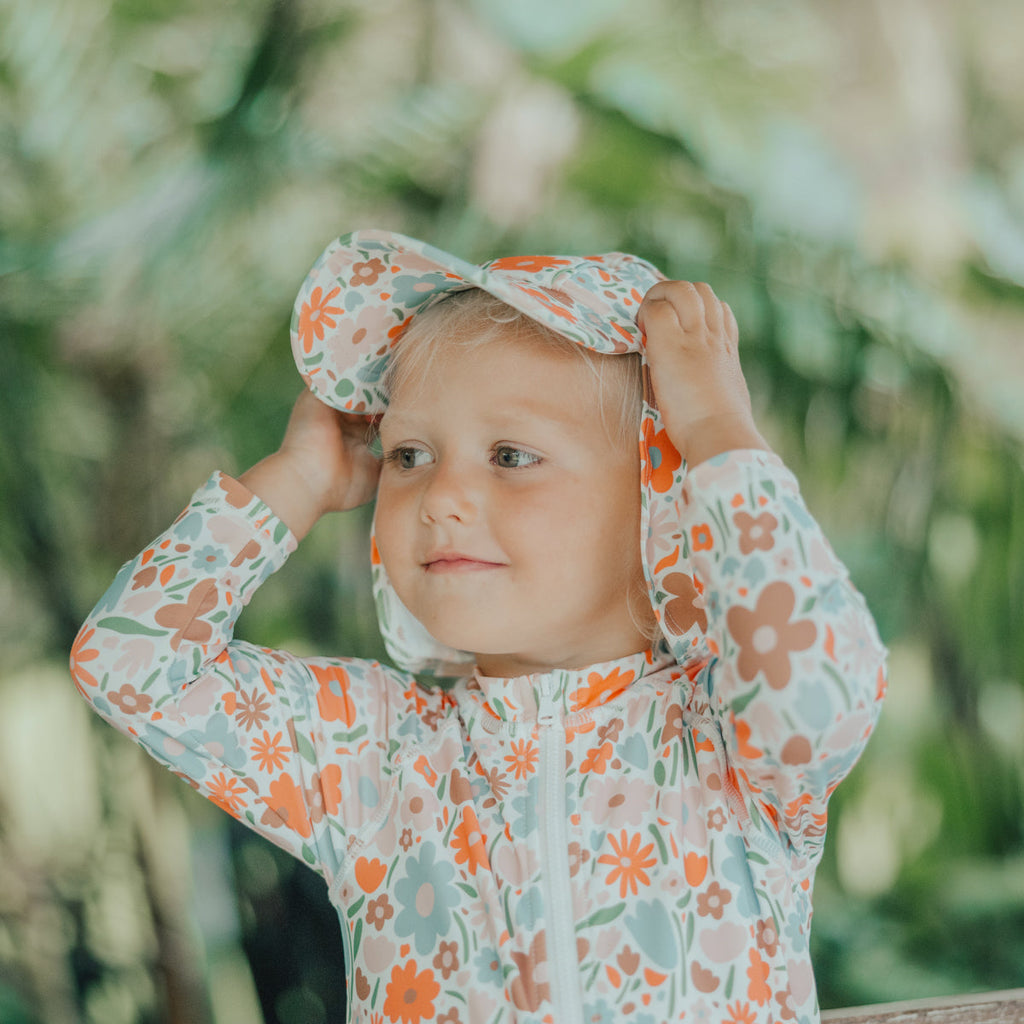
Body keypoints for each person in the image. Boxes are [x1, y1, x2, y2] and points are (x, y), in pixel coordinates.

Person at [70, 230, 887, 1024]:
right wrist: (298, 480)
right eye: (410, 455)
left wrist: (715, 427)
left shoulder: (731, 741)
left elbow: (823, 677)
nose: (442, 496)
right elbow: (130, 665)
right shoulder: (374, 758)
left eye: (509, 455)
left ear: (661, 504)